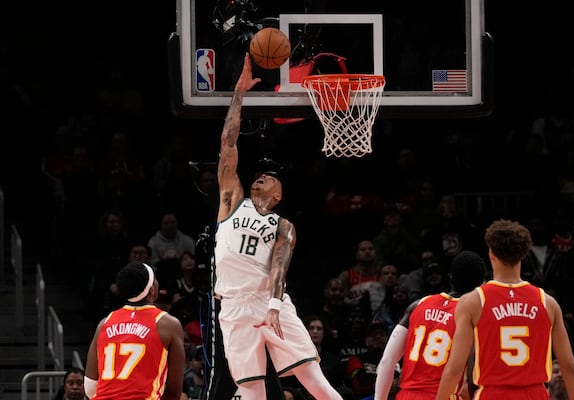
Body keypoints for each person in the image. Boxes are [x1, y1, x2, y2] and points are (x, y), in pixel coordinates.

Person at [211, 52, 343, 400]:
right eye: (258, 176)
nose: (259, 179)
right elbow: (228, 144)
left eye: (267, 178)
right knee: (251, 389)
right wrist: (238, 94)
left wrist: (272, 307)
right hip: (234, 305)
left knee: (314, 381)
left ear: (279, 193)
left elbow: (279, 266)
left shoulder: (283, 225)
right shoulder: (231, 201)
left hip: (270, 301)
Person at [434, 219, 574, 400]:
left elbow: (454, 369)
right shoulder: (548, 303)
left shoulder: (472, 302)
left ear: (491, 254)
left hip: (493, 394)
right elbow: (569, 367)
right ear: (524, 254)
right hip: (535, 394)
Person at [374, 250, 486, 400]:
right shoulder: (473, 317)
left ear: (450, 278)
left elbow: (387, 361)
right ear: (481, 286)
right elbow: (473, 381)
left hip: (406, 396)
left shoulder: (419, 304)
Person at [84, 261, 185, 400]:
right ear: (152, 289)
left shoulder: (104, 323)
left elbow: (90, 388)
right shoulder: (168, 324)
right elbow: (174, 392)